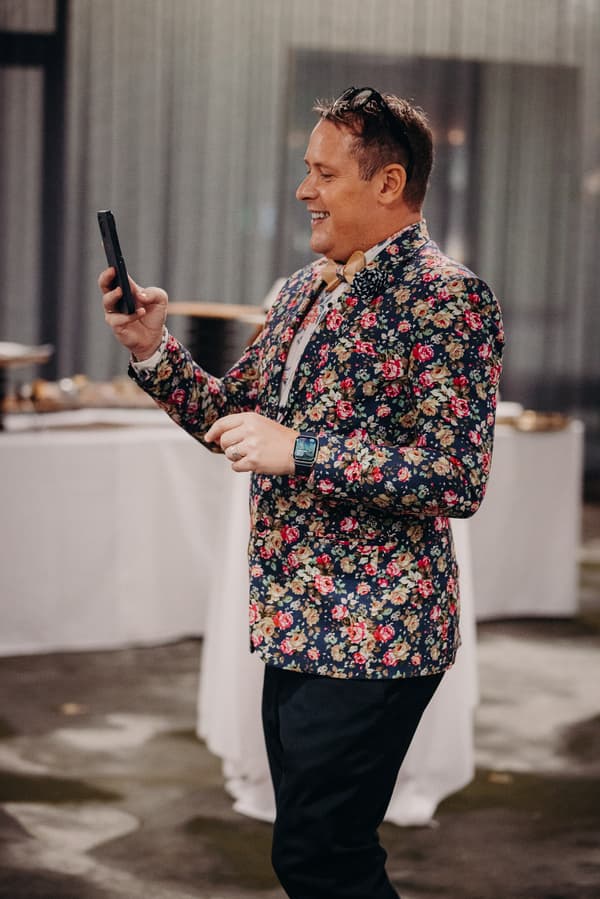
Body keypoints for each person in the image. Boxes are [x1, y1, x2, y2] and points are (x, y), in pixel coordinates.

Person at [99, 85, 504, 899]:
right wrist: (153, 351)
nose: (303, 189)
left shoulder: (449, 299)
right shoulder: (300, 292)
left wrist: (304, 450)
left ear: (387, 184)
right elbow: (232, 418)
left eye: (322, 172)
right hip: (294, 624)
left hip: (377, 632)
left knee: (323, 857)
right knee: (311, 851)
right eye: (306, 169)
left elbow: (458, 475)